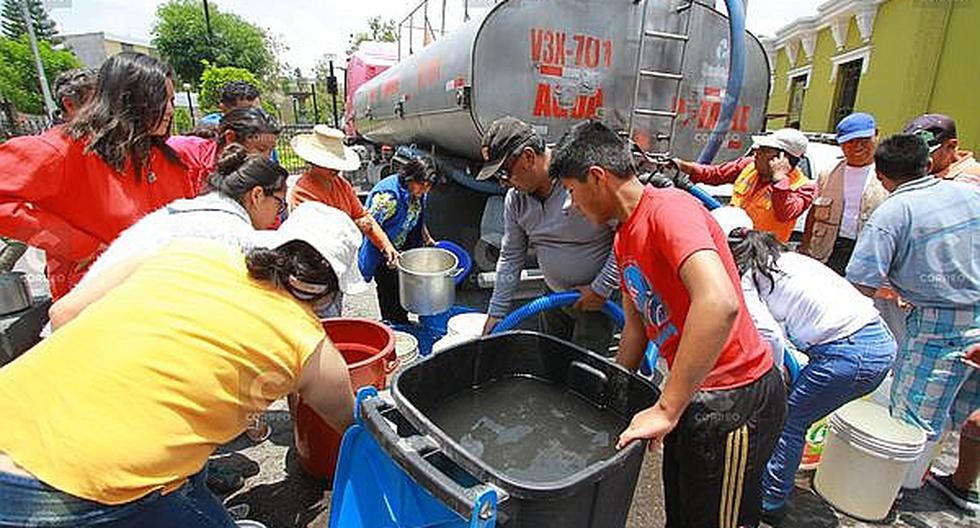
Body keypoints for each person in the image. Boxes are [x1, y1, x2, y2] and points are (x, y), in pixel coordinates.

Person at [0, 202, 363, 527]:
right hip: (86, 483)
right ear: (330, 293)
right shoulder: (312, 349)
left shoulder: (187, 250)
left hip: (11, 408)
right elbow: (354, 429)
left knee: (188, 470)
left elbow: (63, 314)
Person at [551, 121, 785, 528]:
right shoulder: (624, 237)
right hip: (692, 393)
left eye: (571, 191)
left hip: (733, 400)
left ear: (598, 177)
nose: (571, 205)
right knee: (683, 514)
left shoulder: (669, 209)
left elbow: (719, 303)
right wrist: (611, 396)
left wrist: (665, 407)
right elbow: (636, 328)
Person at [715, 211, 896, 523]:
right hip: (874, 341)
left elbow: (769, 333)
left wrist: (770, 380)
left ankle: (770, 501)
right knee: (794, 415)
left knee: (789, 419)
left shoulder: (746, 275)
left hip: (850, 353)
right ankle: (770, 485)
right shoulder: (785, 259)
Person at [0, 52, 206, 300]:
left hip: (165, 294)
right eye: (162, 100)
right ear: (127, 99)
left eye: (172, 100)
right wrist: (77, 246)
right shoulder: (64, 149)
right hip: (97, 301)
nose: (170, 110)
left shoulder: (168, 159)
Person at [846, 134, 980, 511]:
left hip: (938, 324)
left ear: (881, 174)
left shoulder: (892, 213)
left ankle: (893, 494)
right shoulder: (970, 195)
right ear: (927, 164)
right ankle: (963, 485)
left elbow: (860, 285)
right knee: (974, 411)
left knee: (914, 415)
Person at [475, 117, 619, 354]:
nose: (503, 183)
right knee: (549, 361)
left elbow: (626, 235)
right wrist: (496, 313)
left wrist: (601, 287)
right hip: (553, 296)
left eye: (504, 172)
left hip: (597, 301)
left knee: (585, 367)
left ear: (528, 157)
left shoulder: (579, 179)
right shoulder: (516, 199)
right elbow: (511, 256)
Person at [77, 143, 287, 290]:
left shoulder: (183, 210)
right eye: (279, 203)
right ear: (257, 195)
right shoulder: (233, 234)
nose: (278, 213)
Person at [288, 125, 400, 314]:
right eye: (328, 163)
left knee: (335, 309)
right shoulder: (302, 191)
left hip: (337, 265)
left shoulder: (342, 185)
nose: (335, 168)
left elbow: (364, 217)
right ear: (313, 162)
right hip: (313, 268)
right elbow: (320, 232)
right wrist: (354, 224)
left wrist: (386, 246)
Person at [672, 128, 815, 242]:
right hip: (731, 241)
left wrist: (780, 180)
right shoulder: (749, 165)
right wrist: (680, 165)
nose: (757, 153)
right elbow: (715, 174)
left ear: (783, 158)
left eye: (764, 150)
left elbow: (785, 213)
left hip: (762, 253)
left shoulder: (803, 188)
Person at [800, 113, 888, 274]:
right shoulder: (828, 174)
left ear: (876, 134)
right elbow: (813, 212)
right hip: (829, 250)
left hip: (870, 253)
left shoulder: (891, 174)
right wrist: (805, 247)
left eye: (863, 140)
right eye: (850, 142)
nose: (857, 147)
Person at [358, 156, 439, 323]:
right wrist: (387, 250)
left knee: (404, 293)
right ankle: (393, 326)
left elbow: (415, 216)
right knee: (390, 296)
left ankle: (402, 321)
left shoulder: (416, 192)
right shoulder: (388, 198)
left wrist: (427, 238)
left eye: (429, 186)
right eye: (422, 185)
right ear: (410, 179)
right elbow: (370, 227)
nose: (425, 190)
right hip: (383, 253)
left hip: (402, 249)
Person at [169, 107, 282, 193]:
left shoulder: (260, 177)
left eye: (271, 150)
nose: (267, 158)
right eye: (261, 149)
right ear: (230, 138)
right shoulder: (182, 152)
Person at [904, 113, 980, 185]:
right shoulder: (912, 173)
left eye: (924, 154)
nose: (915, 159)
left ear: (951, 146)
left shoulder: (972, 179)